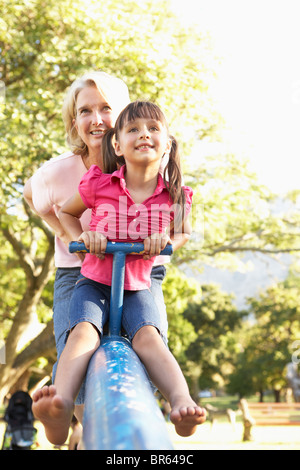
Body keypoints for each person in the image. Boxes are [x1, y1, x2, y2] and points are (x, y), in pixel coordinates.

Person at [32, 101, 206, 445]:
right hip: (94, 281)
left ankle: (181, 402)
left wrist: (165, 240)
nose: (144, 134)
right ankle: (62, 404)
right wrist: (83, 237)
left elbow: (183, 232)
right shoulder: (100, 183)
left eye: (154, 129)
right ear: (117, 145)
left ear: (167, 143)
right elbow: (65, 213)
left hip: (138, 285)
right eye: (134, 129)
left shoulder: (175, 194)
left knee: (149, 338)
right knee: (82, 331)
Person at [23, 71, 168, 425]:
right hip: (78, 273)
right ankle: (74, 420)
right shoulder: (56, 173)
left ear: (126, 115)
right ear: (75, 121)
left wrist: (160, 237)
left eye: (106, 108)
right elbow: (32, 197)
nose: (97, 119)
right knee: (78, 339)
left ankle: (154, 410)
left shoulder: (145, 162)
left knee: (149, 339)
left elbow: (176, 213)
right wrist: (66, 234)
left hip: (137, 269)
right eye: (85, 110)